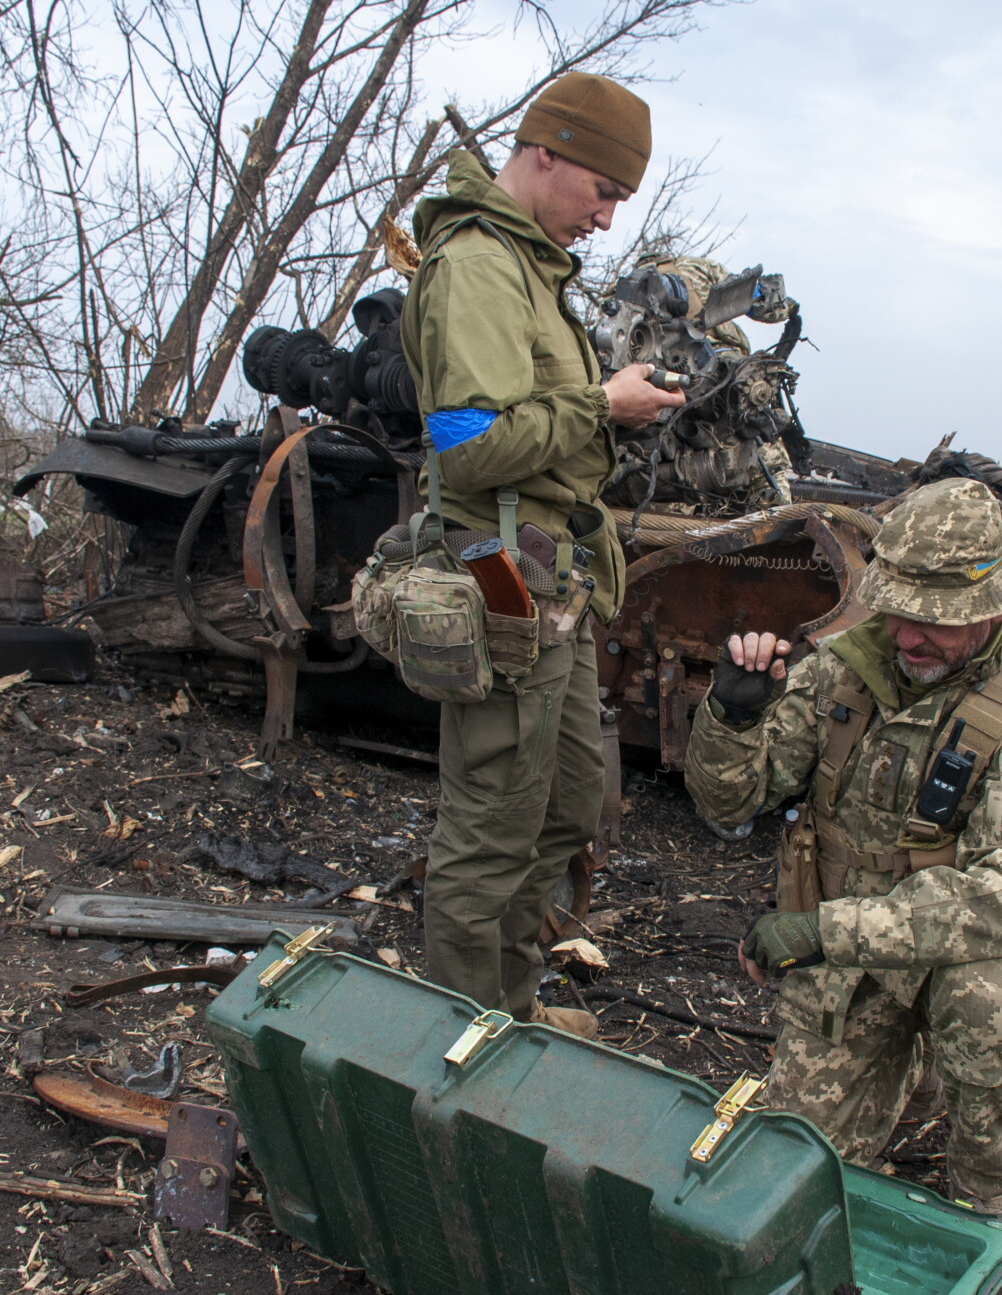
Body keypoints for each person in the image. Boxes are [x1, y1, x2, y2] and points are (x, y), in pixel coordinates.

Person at [683, 478, 1002, 1287]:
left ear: (990, 604)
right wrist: (730, 719)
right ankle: (905, 1062)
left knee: (991, 994)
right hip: (855, 973)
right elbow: (732, 800)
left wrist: (821, 933)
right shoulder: (846, 668)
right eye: (896, 606)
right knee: (783, 1180)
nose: (906, 632)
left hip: (947, 955)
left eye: (931, 618)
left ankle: (990, 1196)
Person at [399, 73, 684, 1036]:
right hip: (497, 575)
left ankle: (508, 1012)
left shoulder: (531, 267)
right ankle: (461, 1047)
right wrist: (604, 404)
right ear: (546, 152)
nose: (607, 217)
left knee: (564, 808)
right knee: (490, 827)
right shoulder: (480, 264)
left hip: (549, 581)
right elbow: (468, 442)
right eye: (603, 191)